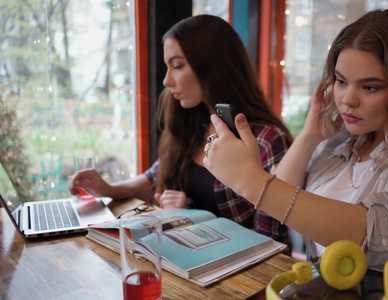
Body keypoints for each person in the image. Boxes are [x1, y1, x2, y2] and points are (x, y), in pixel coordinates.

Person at [202, 9, 388, 296]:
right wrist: (310, 136)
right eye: (341, 81)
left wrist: (252, 181)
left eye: (370, 87)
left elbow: (371, 235)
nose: (348, 99)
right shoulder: (341, 142)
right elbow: (278, 204)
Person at [68, 14, 292, 244]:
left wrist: (194, 218)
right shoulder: (195, 121)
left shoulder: (267, 140)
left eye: (177, 66)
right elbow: (153, 178)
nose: (166, 80)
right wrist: (107, 189)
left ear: (213, 66)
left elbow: (270, 241)